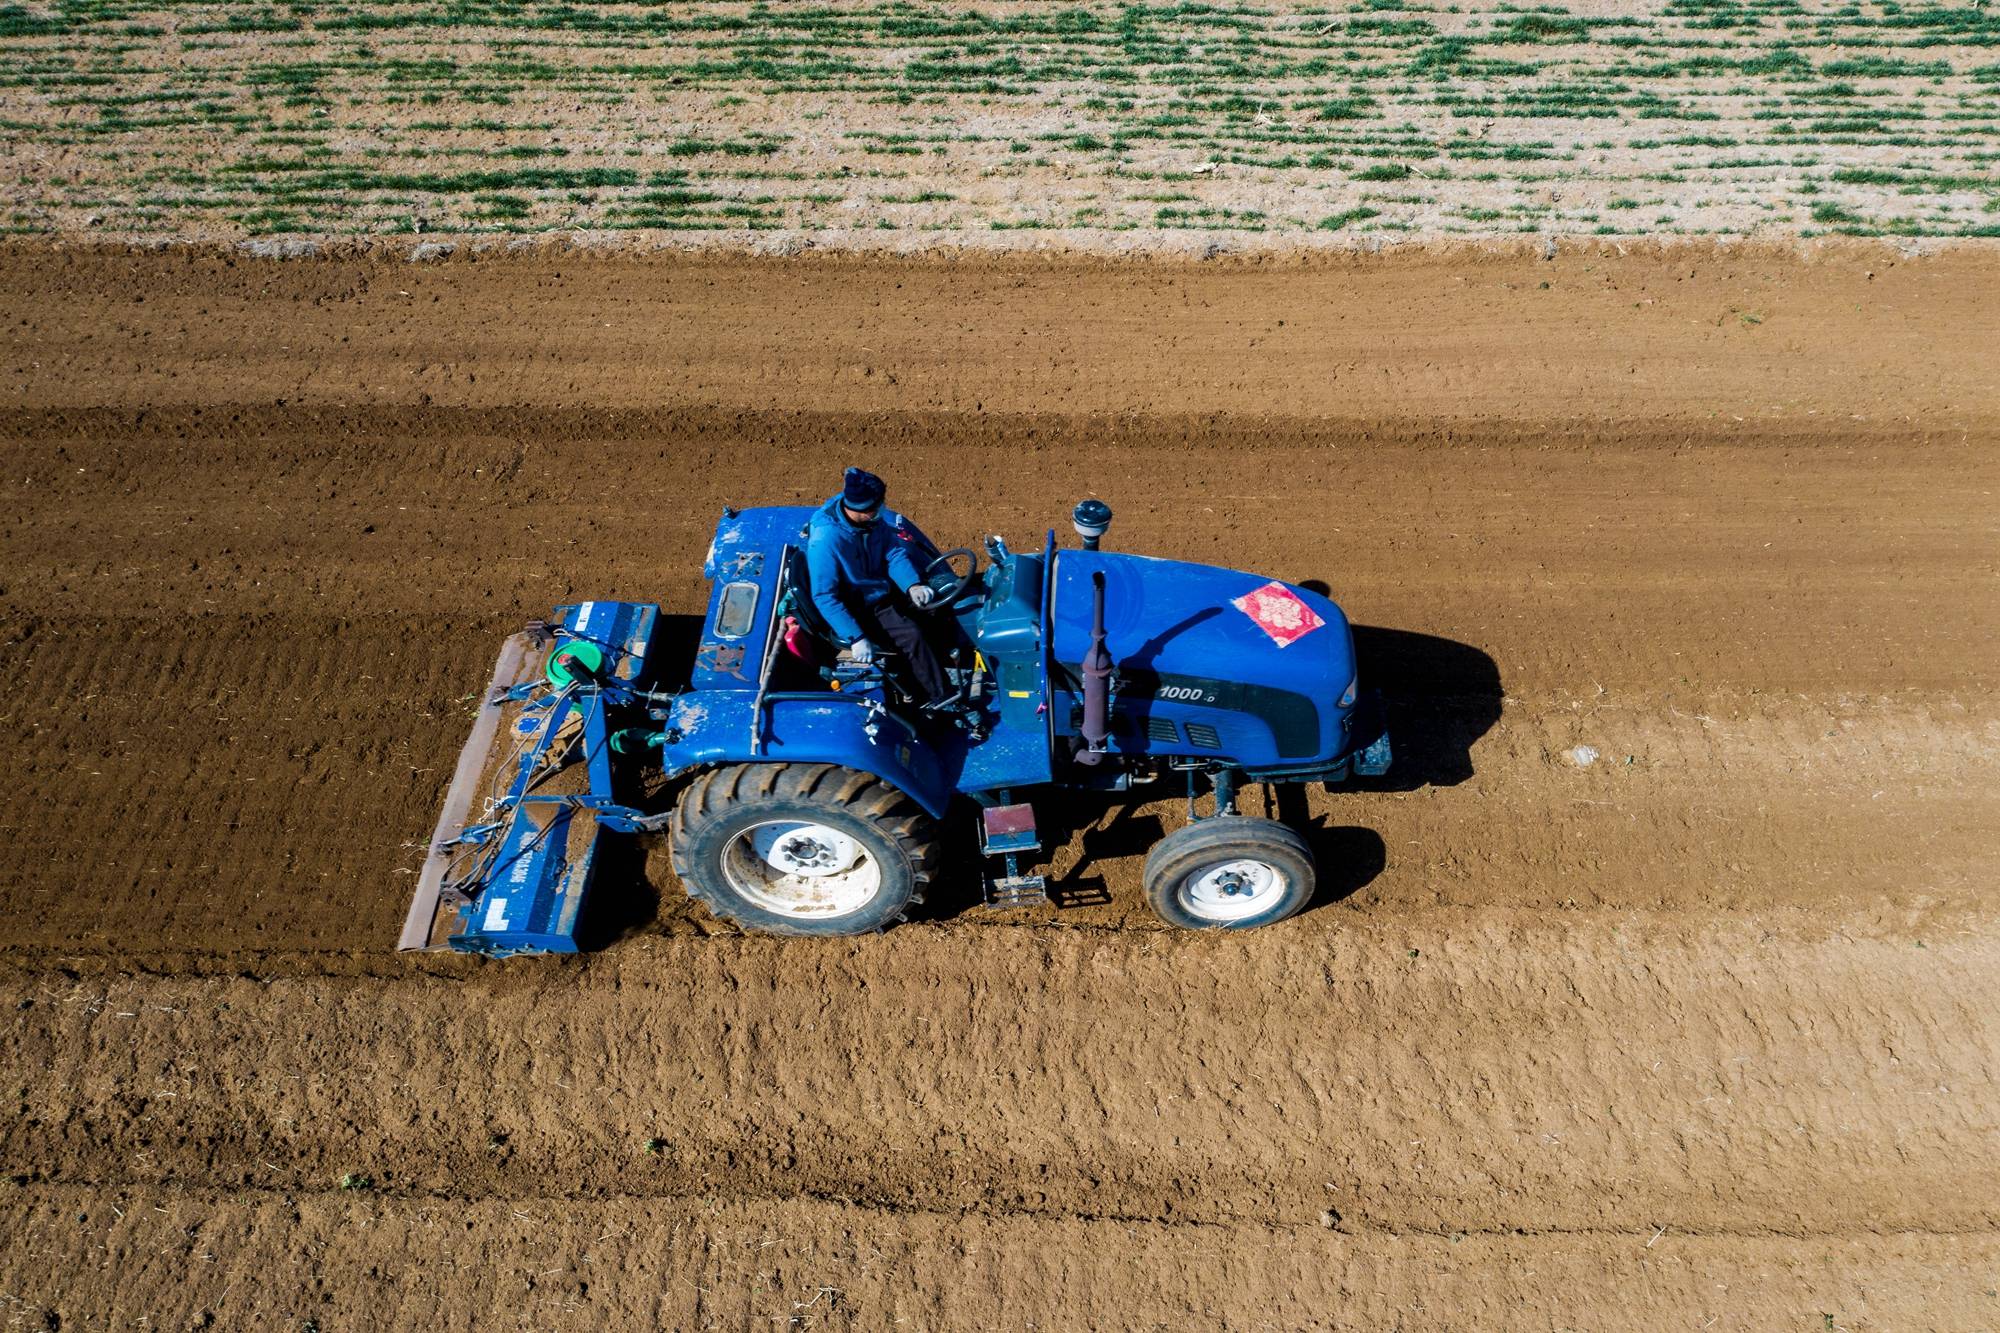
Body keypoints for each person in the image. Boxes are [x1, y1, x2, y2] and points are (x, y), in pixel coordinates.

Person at [805, 468, 953, 703]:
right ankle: (942, 697)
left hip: (878, 586)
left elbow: (892, 551)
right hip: (859, 604)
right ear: (862, 508)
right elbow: (824, 596)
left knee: (937, 604)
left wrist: (912, 585)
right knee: (911, 637)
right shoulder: (826, 541)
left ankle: (940, 660)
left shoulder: (870, 521)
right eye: (878, 505)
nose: (883, 508)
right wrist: (856, 637)